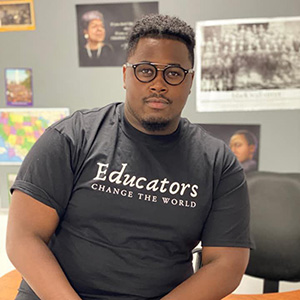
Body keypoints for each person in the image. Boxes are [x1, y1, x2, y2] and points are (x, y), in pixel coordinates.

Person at [6, 14, 253, 300]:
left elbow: (227, 264)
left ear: (190, 82)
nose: (158, 84)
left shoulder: (218, 163)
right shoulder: (71, 138)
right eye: (145, 70)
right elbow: (23, 238)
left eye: (173, 73)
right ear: (125, 75)